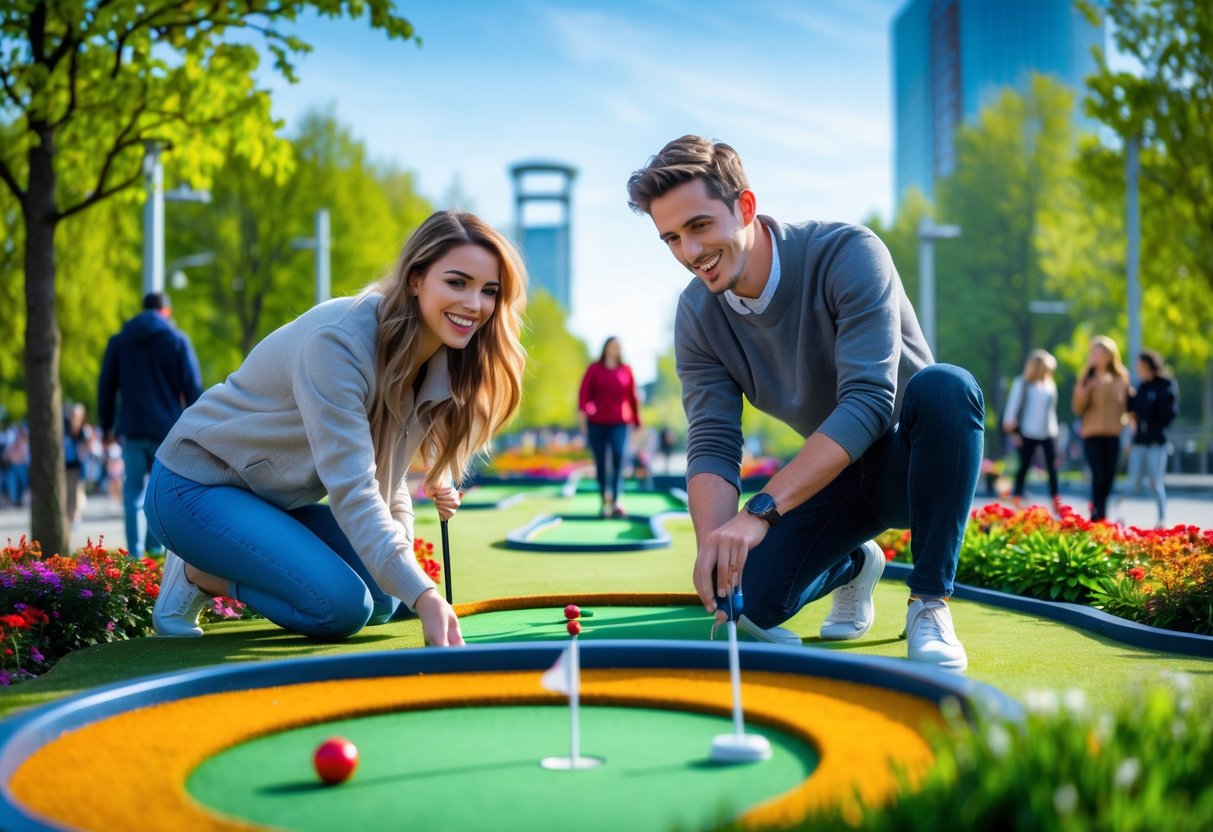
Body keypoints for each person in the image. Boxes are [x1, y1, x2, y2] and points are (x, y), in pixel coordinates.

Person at [627, 135, 982, 671]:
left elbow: (868, 401)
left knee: (946, 386)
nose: (689, 253)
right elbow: (713, 438)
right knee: (753, 602)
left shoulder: (848, 253)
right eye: (671, 238)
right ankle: (856, 564)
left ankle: (929, 605)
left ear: (745, 206)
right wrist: (717, 557)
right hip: (834, 476)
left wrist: (761, 511)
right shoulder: (698, 314)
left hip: (913, 466)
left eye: (699, 226)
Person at [147, 211, 527, 646]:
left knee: (385, 599)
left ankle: (226, 555)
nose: (474, 304)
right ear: (416, 279)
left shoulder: (436, 360)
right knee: (343, 608)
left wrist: (407, 578)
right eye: (457, 282)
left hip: (270, 500)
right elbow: (355, 490)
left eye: (489, 291)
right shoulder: (339, 343)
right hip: (192, 487)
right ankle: (199, 573)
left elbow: (389, 479)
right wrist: (425, 596)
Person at [97, 292, 203, 558]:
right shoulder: (177, 340)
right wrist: (197, 428)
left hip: (131, 429)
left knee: (132, 490)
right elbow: (193, 388)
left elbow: (106, 388)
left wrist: (106, 426)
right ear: (166, 312)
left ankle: (134, 553)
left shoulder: (120, 341)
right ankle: (155, 552)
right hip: (166, 431)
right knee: (159, 492)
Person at [578, 337, 642, 517]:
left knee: (618, 457)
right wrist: (583, 422)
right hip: (596, 423)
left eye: (618, 347)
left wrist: (638, 422)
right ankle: (602, 500)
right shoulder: (594, 369)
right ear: (606, 348)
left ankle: (615, 501)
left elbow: (633, 398)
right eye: (613, 346)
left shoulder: (626, 370)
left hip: (619, 423)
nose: (616, 349)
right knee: (600, 462)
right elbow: (583, 396)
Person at [1071, 335, 1130, 523]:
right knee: (1098, 474)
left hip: (1113, 434)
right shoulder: (1086, 377)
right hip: (1091, 434)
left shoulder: (1121, 378)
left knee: (1109, 476)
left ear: (1110, 355)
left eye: (1100, 352)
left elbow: (1129, 405)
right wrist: (1084, 391)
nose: (1096, 356)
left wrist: (1128, 421)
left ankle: (1100, 511)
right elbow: (1077, 408)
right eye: (1093, 353)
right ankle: (1098, 514)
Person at [1001, 349, 1061, 511]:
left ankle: (1055, 497)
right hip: (1027, 431)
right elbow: (1013, 408)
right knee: (1024, 466)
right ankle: (1017, 495)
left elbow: (1051, 411)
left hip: (1047, 431)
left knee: (1052, 467)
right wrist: (1013, 432)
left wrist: (1055, 434)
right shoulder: (1022, 383)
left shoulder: (1049, 385)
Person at [1124, 349, 1178, 528]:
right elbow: (1132, 412)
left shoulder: (1165, 384)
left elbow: (1169, 413)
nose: (1137, 369)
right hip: (1140, 441)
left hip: (1157, 442)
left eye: (1140, 365)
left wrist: (1153, 419)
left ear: (1148, 365)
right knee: (1133, 483)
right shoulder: (1140, 387)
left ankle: (1162, 519)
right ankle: (1119, 514)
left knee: (1156, 482)